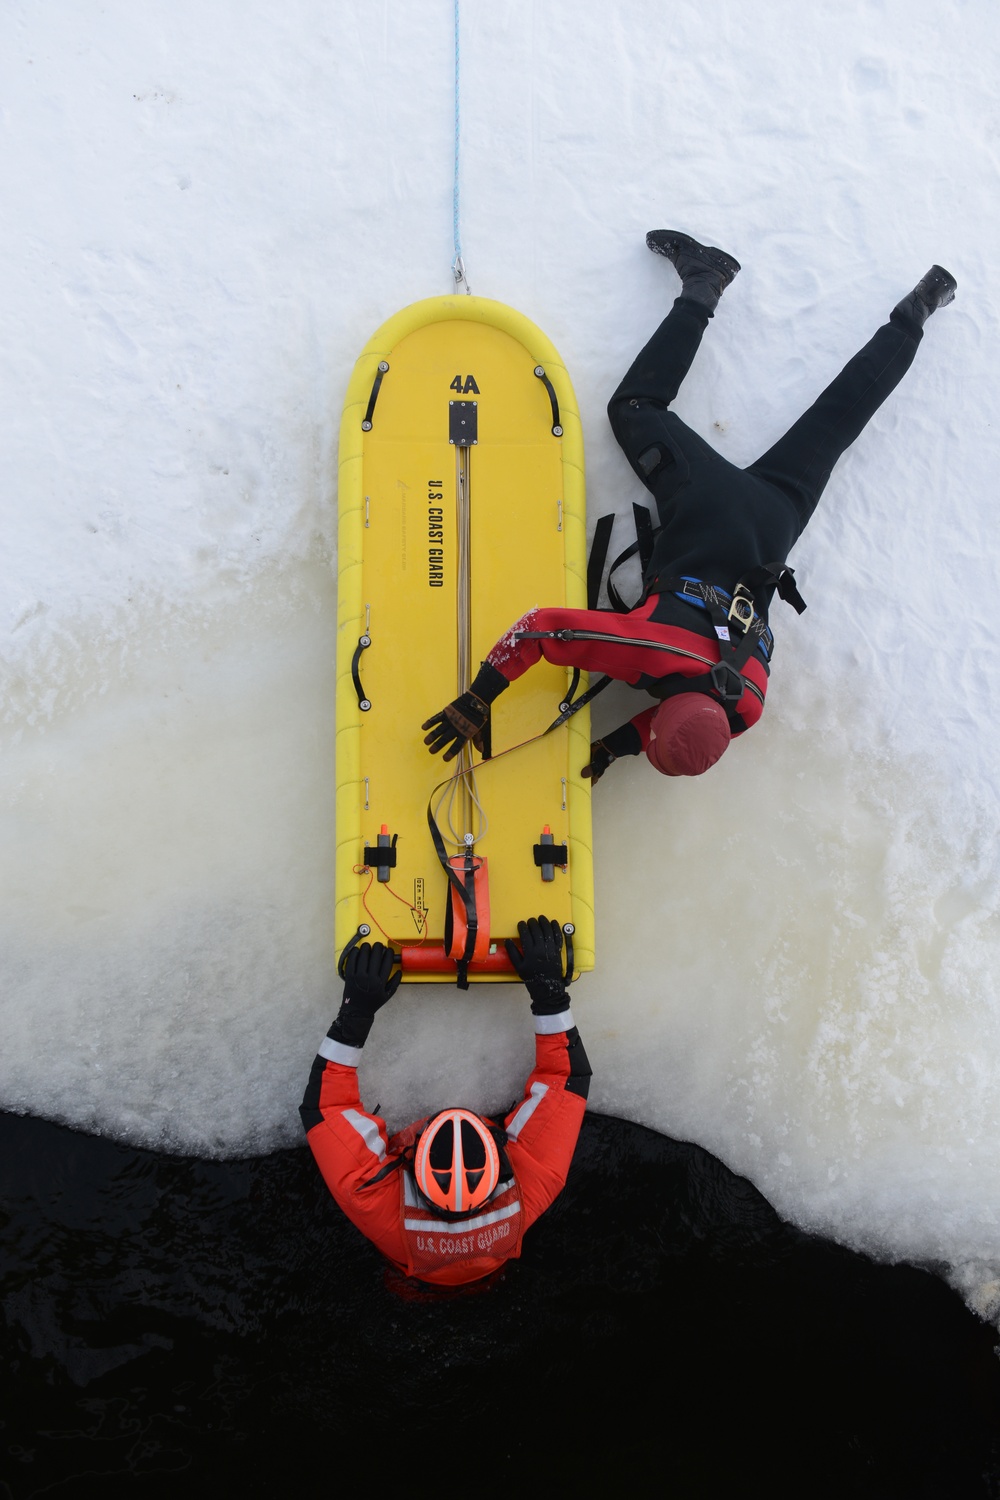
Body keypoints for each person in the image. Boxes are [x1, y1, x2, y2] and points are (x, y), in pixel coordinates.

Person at [421, 232, 957, 780]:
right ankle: (704, 282)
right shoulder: (645, 649)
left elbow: (678, 711)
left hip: (774, 523)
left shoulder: (747, 707)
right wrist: (479, 697)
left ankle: (918, 309)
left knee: (837, 421)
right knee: (634, 405)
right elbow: (538, 630)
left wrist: (613, 747)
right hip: (708, 505)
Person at [300, 916, 591, 1287]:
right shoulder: (531, 1184)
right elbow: (566, 1080)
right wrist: (550, 991)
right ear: (501, 1164)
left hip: (414, 1276)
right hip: (488, 1268)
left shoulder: (378, 1209)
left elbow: (326, 1110)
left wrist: (354, 1014)